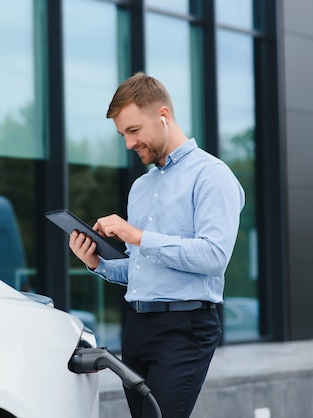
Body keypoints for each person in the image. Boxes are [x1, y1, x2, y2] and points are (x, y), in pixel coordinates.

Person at [68, 72, 245, 418]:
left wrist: (137, 236)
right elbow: (140, 267)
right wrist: (97, 264)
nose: (129, 144)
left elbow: (214, 256)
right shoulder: (141, 188)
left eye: (134, 131)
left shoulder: (212, 176)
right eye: (123, 135)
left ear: (163, 116)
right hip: (136, 327)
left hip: (184, 328)